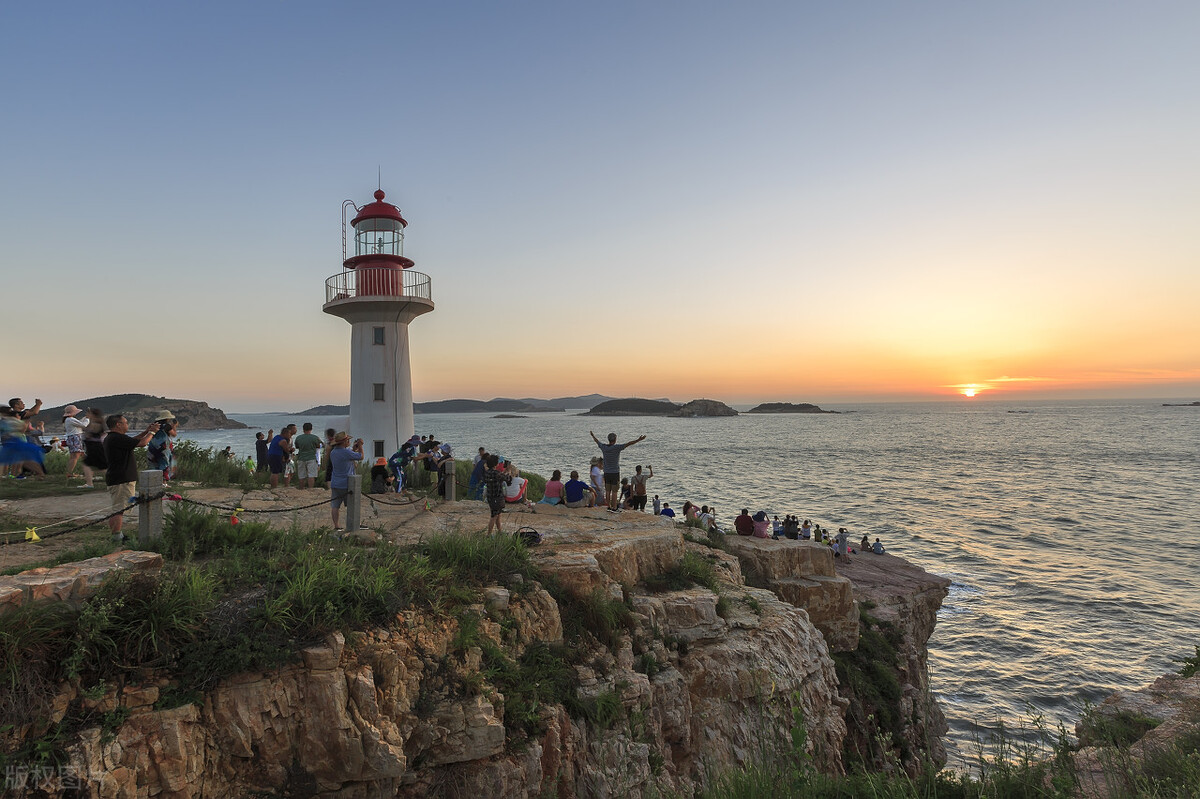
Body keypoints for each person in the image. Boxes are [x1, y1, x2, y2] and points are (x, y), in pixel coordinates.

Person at [102, 414, 159, 542]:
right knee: (119, 509)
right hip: (122, 479)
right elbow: (142, 443)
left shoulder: (114, 438)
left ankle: (117, 535)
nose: (127, 425)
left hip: (118, 478)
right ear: (118, 424)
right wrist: (152, 432)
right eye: (125, 422)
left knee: (118, 508)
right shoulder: (116, 438)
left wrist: (146, 431)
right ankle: (116, 537)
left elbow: (133, 441)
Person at [590, 430, 647, 511]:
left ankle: (608, 507)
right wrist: (638, 440)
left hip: (606, 472)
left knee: (608, 490)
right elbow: (628, 443)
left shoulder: (604, 447)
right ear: (615, 439)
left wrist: (593, 435)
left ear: (608, 439)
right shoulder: (617, 447)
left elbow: (597, 441)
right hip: (615, 472)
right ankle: (614, 507)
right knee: (614, 491)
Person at [328, 432, 364, 532]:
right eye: (348, 440)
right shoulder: (346, 452)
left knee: (335, 506)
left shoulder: (333, 452)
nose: (349, 441)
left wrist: (353, 449)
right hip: (347, 483)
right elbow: (361, 457)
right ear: (344, 442)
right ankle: (355, 524)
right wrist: (360, 446)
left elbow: (347, 457)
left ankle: (337, 525)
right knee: (352, 505)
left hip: (335, 482)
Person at [483, 454, 512, 534]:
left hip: (490, 497)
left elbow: (498, 476)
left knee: (498, 515)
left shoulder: (487, 473)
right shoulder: (497, 473)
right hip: (497, 497)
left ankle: (500, 532)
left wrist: (504, 472)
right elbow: (508, 480)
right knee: (494, 516)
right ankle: (488, 535)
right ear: (496, 464)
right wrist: (509, 471)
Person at [146, 411, 176, 484]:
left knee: (153, 464)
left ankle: (154, 482)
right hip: (163, 448)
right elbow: (174, 434)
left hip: (153, 447)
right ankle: (164, 482)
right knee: (164, 464)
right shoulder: (167, 426)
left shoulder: (154, 425)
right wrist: (174, 426)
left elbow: (148, 432)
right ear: (167, 418)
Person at [80, 408, 107, 488]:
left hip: (94, 447)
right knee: (101, 466)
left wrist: (85, 430)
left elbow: (89, 434)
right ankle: (116, 480)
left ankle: (89, 483)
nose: (86, 414)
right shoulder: (96, 422)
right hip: (93, 447)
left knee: (88, 464)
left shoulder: (96, 423)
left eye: (88, 413)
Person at [62, 405, 89, 481]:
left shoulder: (69, 420)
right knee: (75, 457)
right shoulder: (70, 419)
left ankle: (70, 472)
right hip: (75, 438)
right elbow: (83, 425)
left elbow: (79, 423)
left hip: (72, 438)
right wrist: (87, 419)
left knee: (74, 456)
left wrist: (85, 418)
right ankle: (69, 473)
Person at [292, 423, 322, 490]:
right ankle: (310, 489)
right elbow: (319, 446)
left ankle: (301, 489)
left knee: (301, 475)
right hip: (311, 458)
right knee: (311, 475)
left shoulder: (298, 438)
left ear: (303, 429)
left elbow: (297, 446)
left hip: (301, 457)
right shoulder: (315, 438)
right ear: (311, 429)